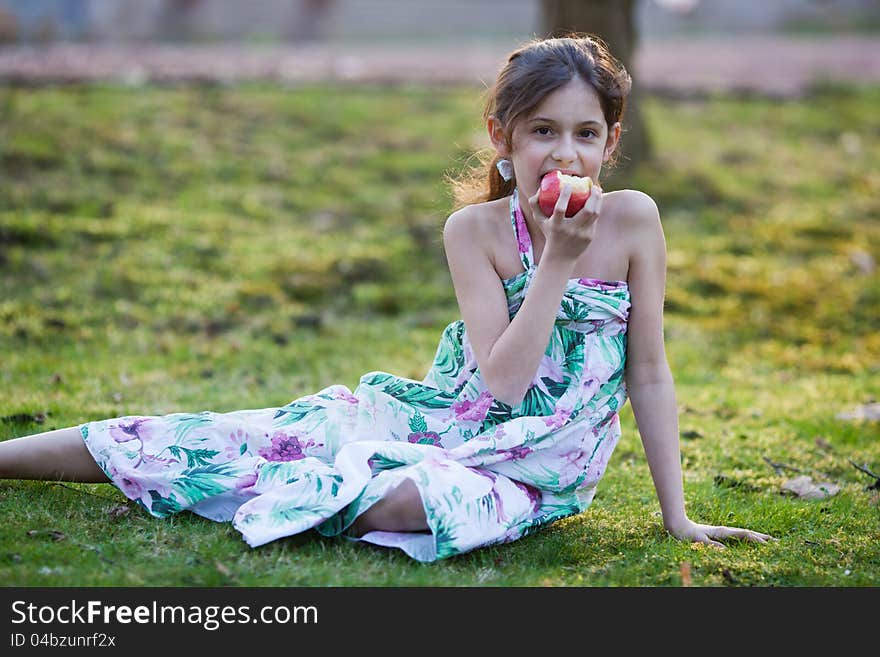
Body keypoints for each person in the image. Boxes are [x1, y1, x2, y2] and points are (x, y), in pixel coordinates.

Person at [0, 34, 772, 562]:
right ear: (502, 136)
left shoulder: (634, 220)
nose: (563, 153)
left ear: (609, 141)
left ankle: (293, 481)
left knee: (408, 502)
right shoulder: (472, 232)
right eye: (542, 130)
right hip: (447, 415)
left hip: (533, 470)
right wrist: (555, 267)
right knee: (239, 431)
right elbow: (498, 383)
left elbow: (650, 372)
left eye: (584, 133)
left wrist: (678, 516)